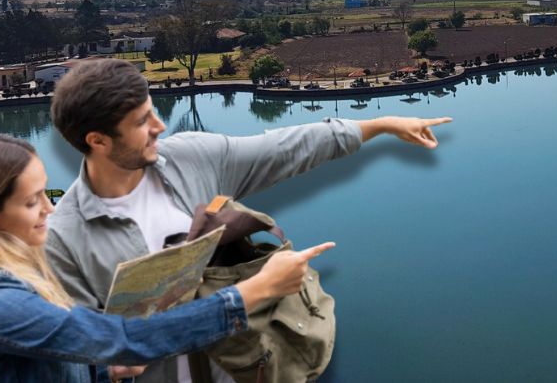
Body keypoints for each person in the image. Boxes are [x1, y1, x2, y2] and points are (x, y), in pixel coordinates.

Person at [45, 58, 450, 383]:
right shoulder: (63, 239)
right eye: (141, 122)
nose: (160, 126)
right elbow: (70, 351)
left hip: (244, 369)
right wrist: (111, 364)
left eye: (153, 112)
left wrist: (378, 125)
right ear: (97, 141)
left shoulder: (190, 158)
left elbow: (283, 149)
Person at [0, 133, 334, 383]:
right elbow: (122, 339)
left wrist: (105, 370)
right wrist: (255, 290)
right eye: (32, 202)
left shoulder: (2, 280)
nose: (50, 210)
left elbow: (45, 366)